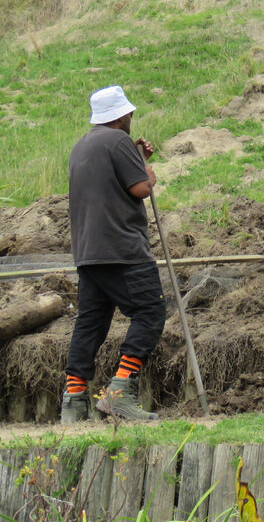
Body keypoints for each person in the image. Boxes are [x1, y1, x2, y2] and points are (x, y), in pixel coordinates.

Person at [60, 85, 165, 424]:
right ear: (121, 115)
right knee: (150, 310)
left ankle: (74, 402)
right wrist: (147, 174)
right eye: (129, 113)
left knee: (90, 323)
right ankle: (120, 392)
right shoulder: (119, 141)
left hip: (88, 251)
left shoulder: (81, 146)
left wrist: (136, 161)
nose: (131, 117)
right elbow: (138, 189)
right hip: (122, 248)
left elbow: (108, 182)